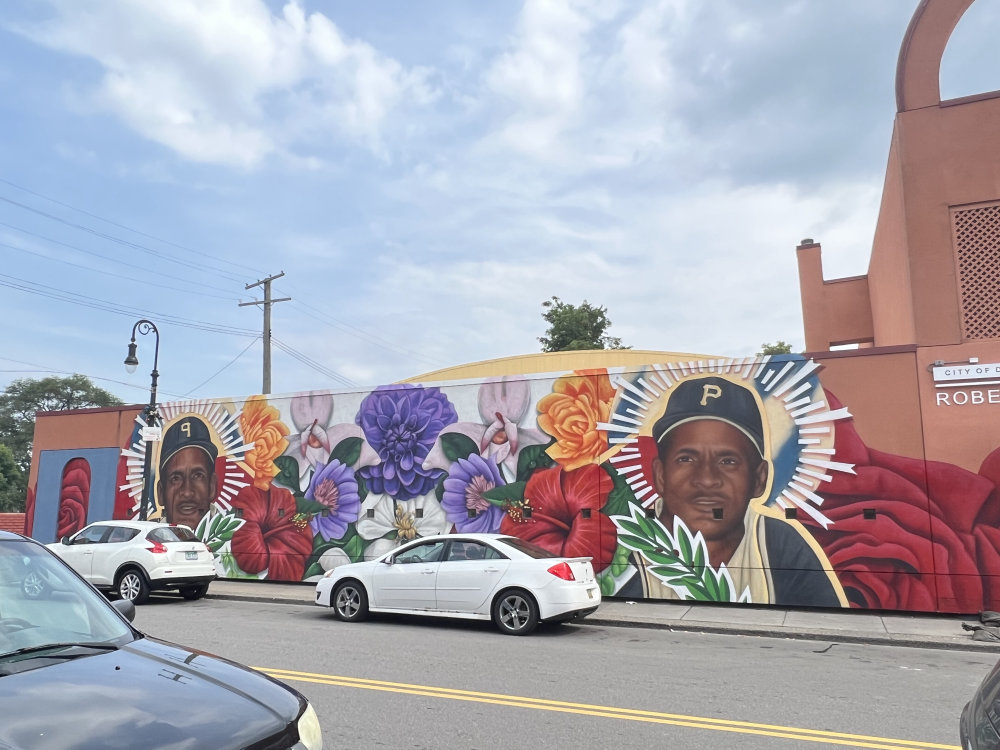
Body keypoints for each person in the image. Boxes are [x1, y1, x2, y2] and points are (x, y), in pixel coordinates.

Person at [624, 376, 846, 607]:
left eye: (728, 461)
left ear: (759, 479)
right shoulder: (627, 548)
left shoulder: (778, 544)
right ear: (660, 475)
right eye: (686, 459)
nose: (707, 479)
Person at [155, 416, 218, 530]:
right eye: (176, 478)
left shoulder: (232, 536)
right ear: (160, 493)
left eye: (198, 475)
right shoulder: (151, 538)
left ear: (212, 486)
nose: (187, 492)